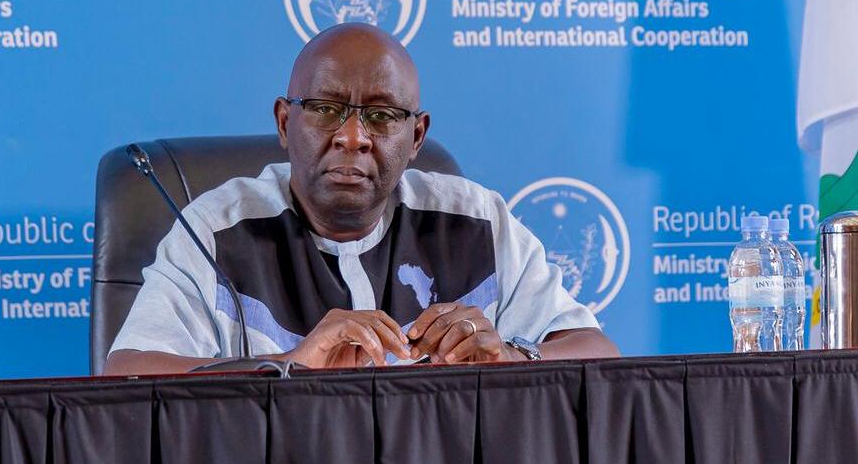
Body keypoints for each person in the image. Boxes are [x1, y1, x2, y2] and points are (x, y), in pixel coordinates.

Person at [104, 23, 618, 375]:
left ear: (416, 137)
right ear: (284, 123)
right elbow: (128, 373)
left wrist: (509, 356)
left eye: (382, 115)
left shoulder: (476, 222)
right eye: (326, 108)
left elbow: (598, 355)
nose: (353, 137)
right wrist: (288, 366)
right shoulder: (215, 231)